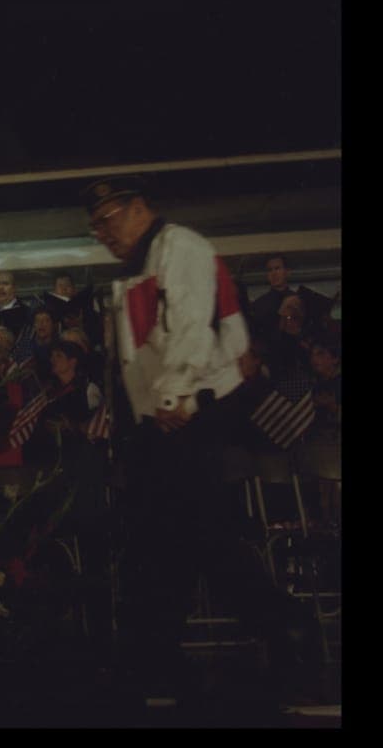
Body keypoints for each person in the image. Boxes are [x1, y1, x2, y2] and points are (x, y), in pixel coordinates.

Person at [82, 174, 316, 708]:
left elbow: (189, 326)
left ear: (138, 208)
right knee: (161, 535)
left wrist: (171, 396)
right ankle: (162, 650)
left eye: (107, 220)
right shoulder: (137, 265)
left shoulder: (178, 247)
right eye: (95, 225)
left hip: (191, 411)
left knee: (192, 534)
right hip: (163, 419)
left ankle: (282, 628)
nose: (101, 232)